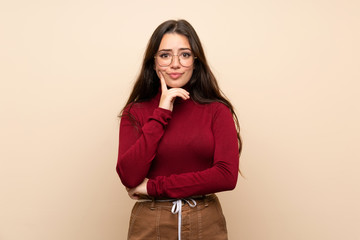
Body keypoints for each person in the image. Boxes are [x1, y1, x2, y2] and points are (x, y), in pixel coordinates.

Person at [116, 19, 241, 240]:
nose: (175, 64)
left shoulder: (217, 111)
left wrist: (154, 187)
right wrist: (162, 112)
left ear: (195, 62)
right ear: (154, 63)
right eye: (165, 55)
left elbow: (226, 176)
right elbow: (130, 176)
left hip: (206, 221)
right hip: (150, 223)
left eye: (184, 54)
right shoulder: (135, 112)